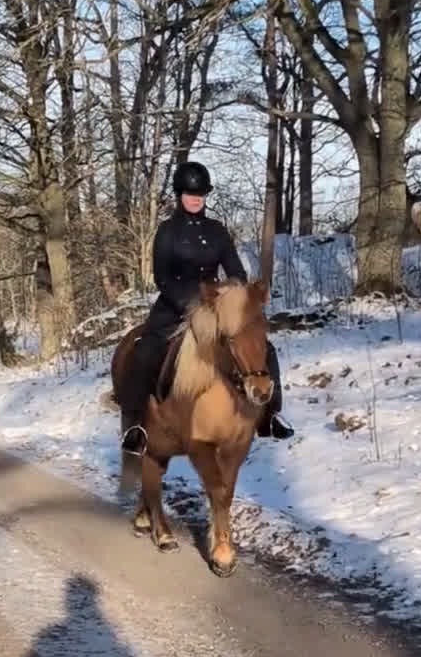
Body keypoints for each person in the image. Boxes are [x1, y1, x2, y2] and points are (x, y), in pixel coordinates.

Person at [121, 160, 294, 455]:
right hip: (175, 306)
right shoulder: (167, 231)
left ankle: (272, 416)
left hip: (216, 307)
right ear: (180, 195)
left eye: (200, 193)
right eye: (190, 193)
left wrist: (232, 296)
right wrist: (190, 305)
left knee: (263, 346)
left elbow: (236, 272)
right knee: (144, 350)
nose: (196, 198)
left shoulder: (217, 231)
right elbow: (162, 277)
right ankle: (136, 425)